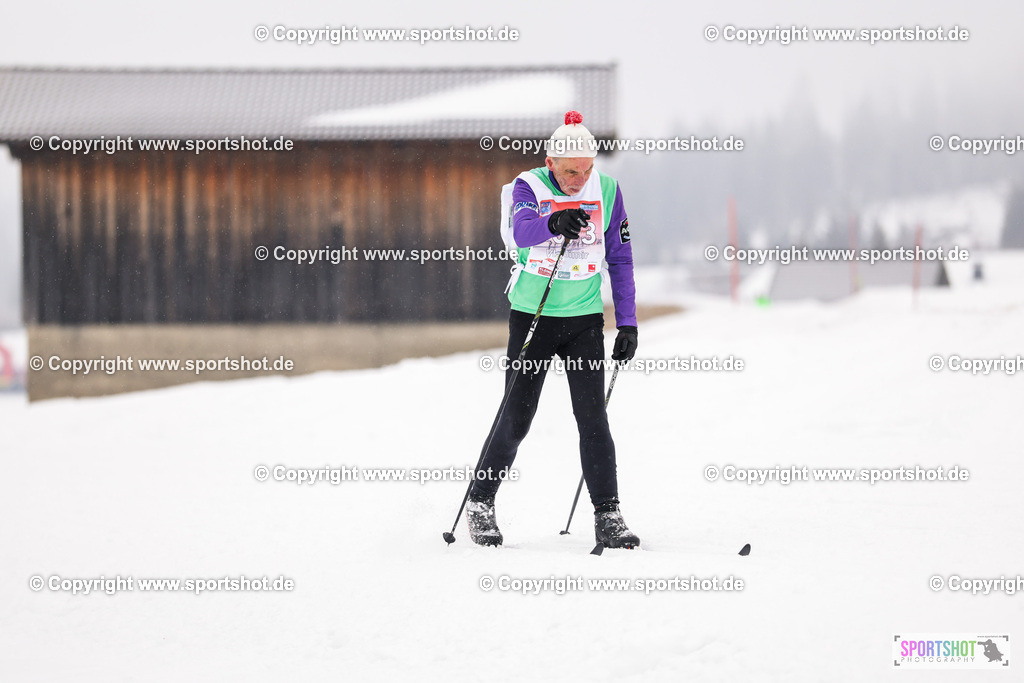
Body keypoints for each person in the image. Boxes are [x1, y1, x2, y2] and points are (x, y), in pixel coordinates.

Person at [467, 111, 640, 549]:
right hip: (534, 317)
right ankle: (481, 501)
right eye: (569, 172)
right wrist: (554, 221)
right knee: (517, 417)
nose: (578, 180)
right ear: (550, 161)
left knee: (593, 419)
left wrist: (628, 322)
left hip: (583, 321)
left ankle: (609, 515)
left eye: (586, 170)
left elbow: (619, 258)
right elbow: (524, 230)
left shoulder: (608, 190)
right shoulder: (529, 186)